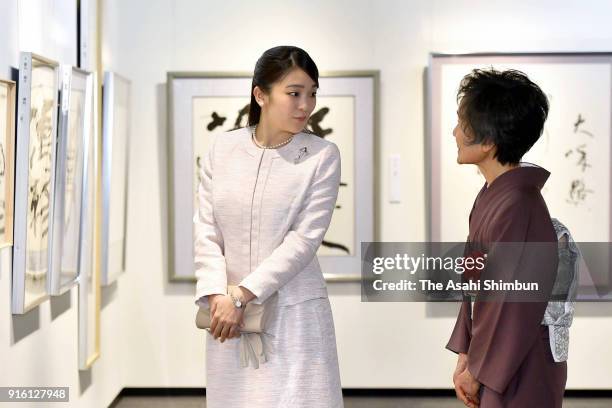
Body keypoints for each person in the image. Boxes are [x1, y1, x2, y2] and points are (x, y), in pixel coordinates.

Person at [193, 46, 344, 407]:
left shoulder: (322, 156)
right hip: (227, 319)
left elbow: (304, 240)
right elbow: (206, 229)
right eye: (293, 93)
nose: (305, 105)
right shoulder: (223, 148)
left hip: (296, 314)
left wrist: (241, 295)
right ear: (261, 94)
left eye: (311, 94)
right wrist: (218, 296)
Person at [446, 69, 567, 407]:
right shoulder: (494, 195)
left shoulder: (517, 204)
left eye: (462, 124)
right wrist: (467, 353)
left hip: (520, 361)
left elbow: (512, 304)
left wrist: (479, 368)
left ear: (488, 141)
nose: (454, 132)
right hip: (499, 357)